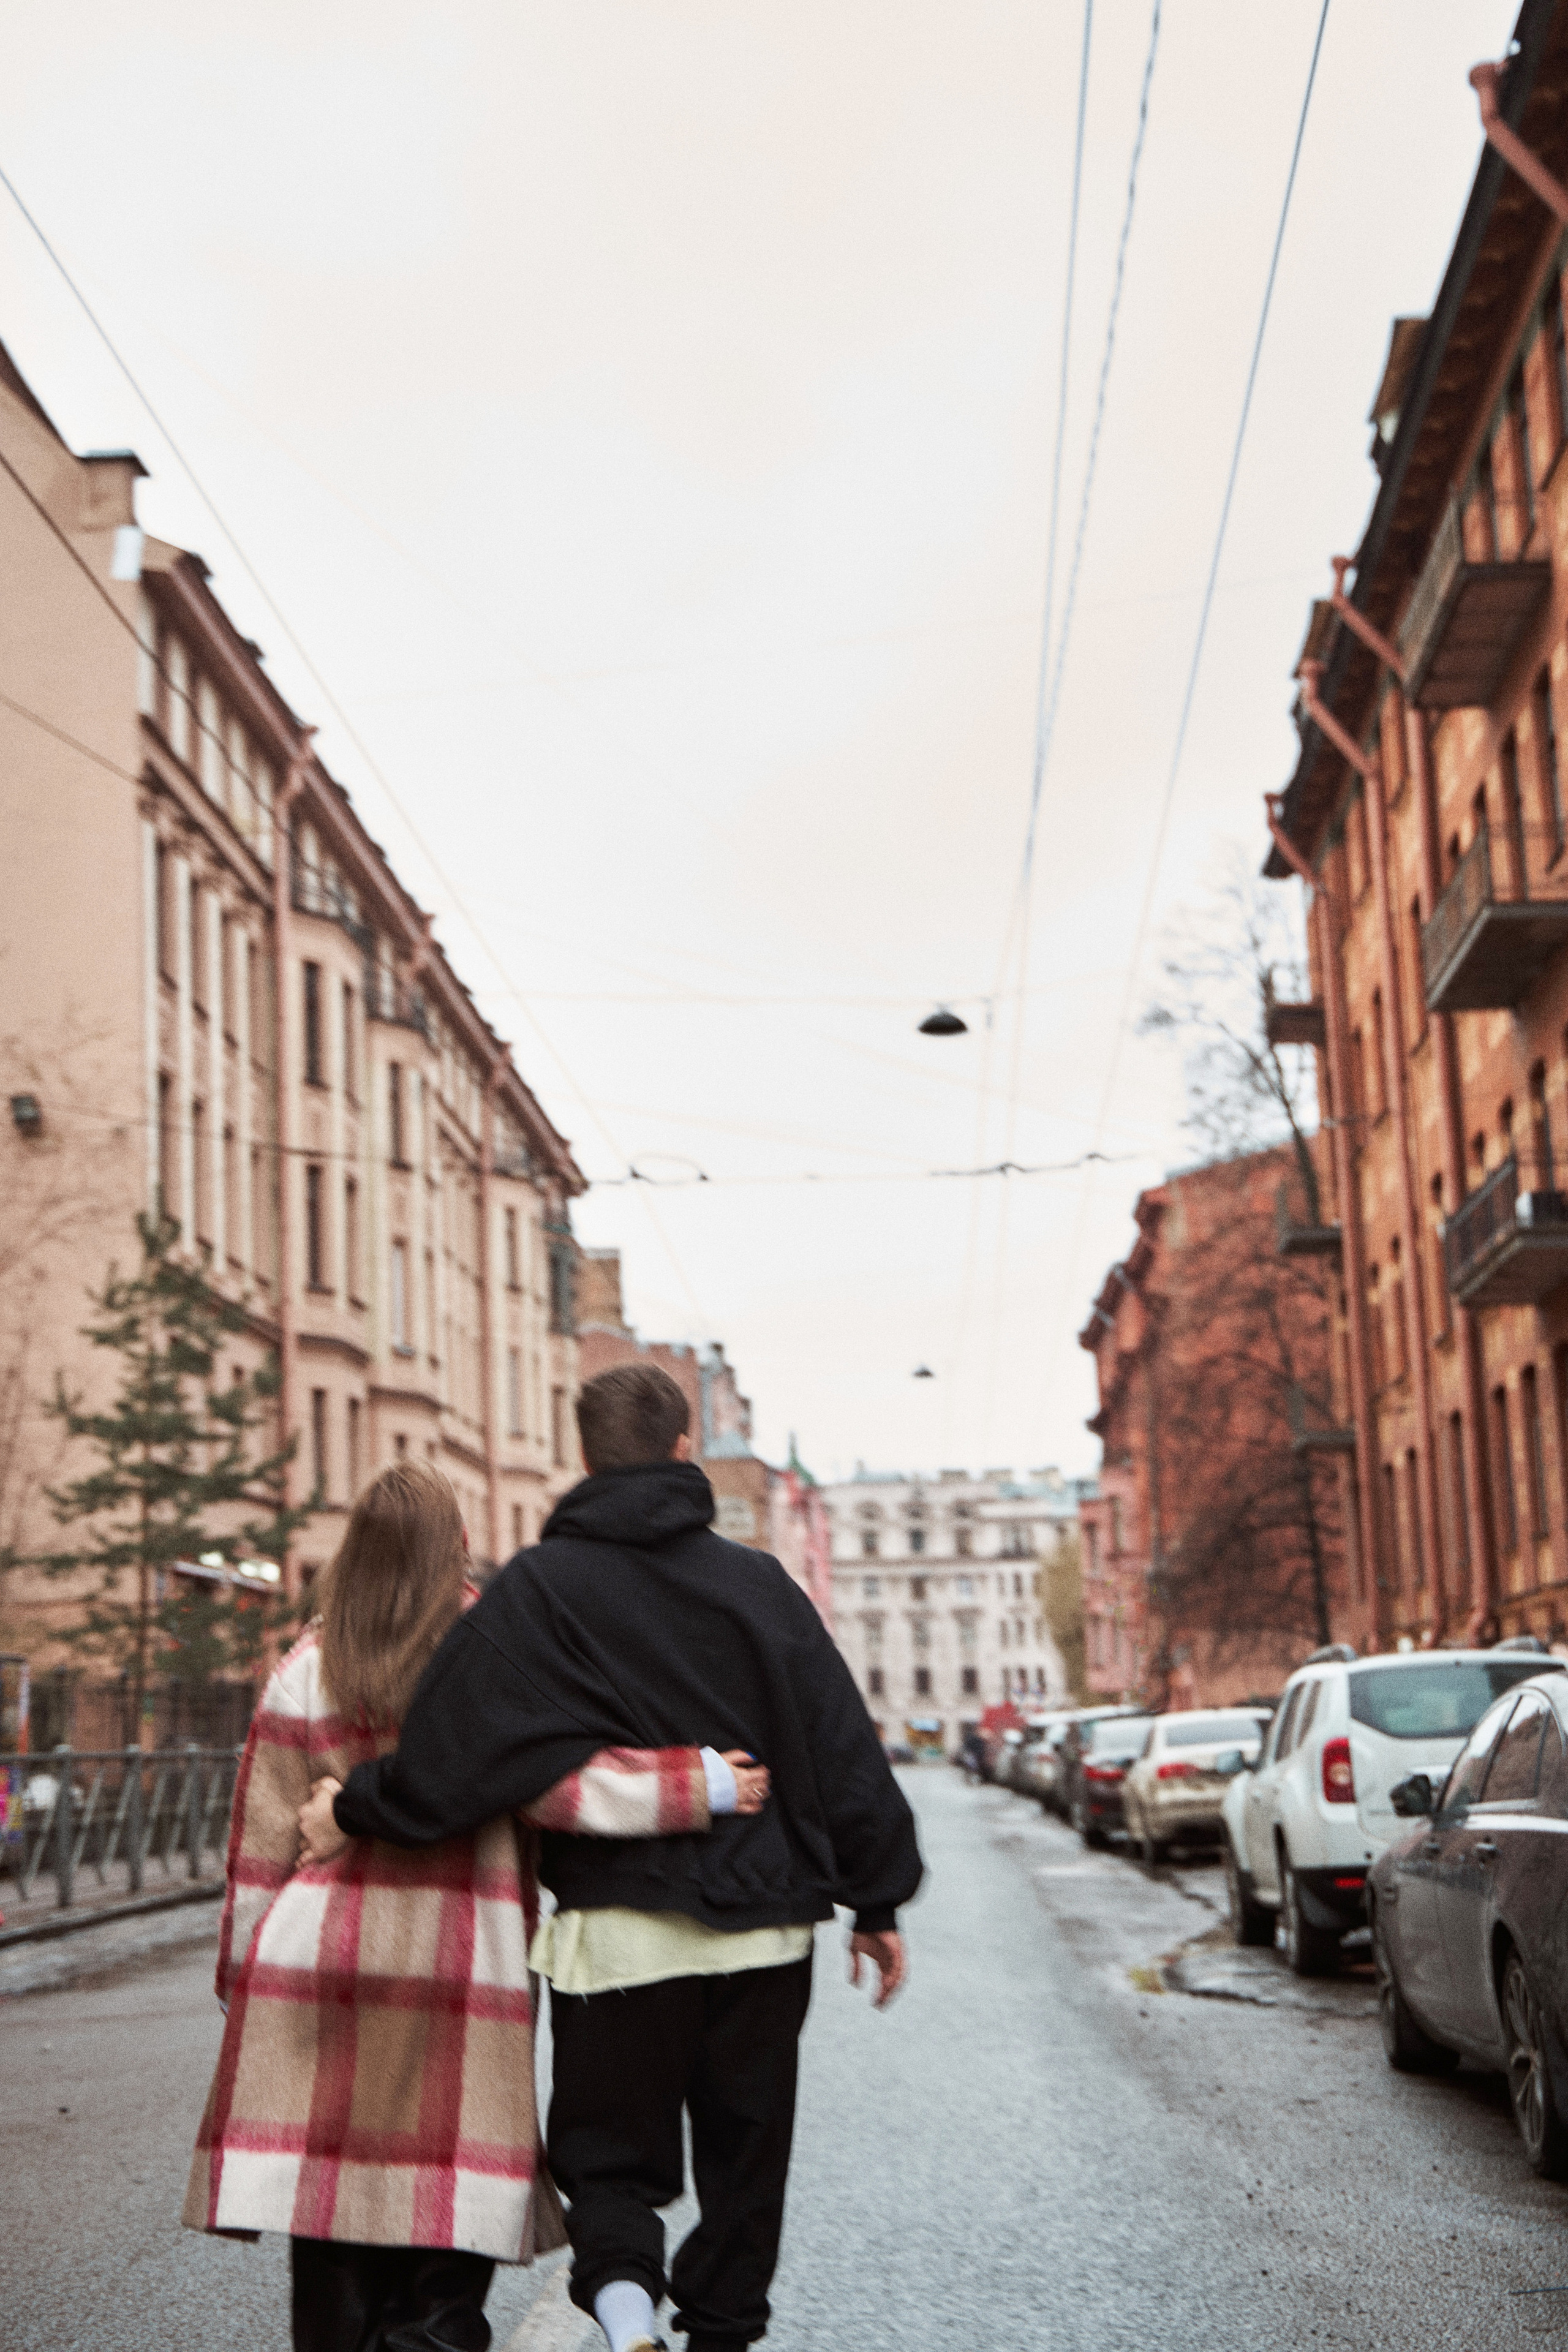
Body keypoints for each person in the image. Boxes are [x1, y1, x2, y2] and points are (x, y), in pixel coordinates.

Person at [300, 1363, 923, 2352]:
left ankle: (627, 2315)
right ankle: (722, 2335)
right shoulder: (758, 1586)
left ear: (585, 1456)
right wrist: (879, 1901)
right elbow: (841, 1744)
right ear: (684, 1449)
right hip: (763, 1935)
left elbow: (452, 1751)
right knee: (744, 2163)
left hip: (620, 1941)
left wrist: (360, 1805)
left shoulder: (538, 1592)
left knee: (610, 2160)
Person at [185, 1457, 766, 2352]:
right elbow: (565, 1786)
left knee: (333, 2233)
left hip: (317, 1964)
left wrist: (242, 1981)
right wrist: (703, 1782)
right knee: (442, 2234)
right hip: (460, 1967)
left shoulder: (306, 1666)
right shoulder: (490, 1645)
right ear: (455, 1544)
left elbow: (260, 1843)